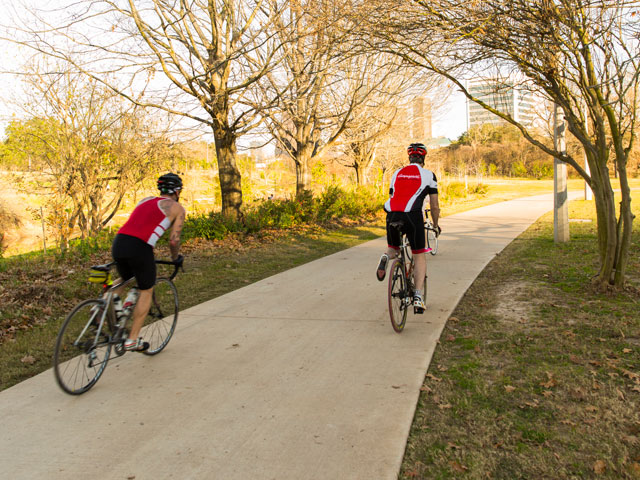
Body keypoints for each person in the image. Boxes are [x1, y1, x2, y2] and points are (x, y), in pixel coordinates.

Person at [111, 173, 186, 351]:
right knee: (147, 288)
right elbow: (174, 240)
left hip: (119, 242)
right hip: (140, 247)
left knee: (126, 277)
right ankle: (132, 339)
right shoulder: (178, 208)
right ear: (177, 191)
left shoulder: (144, 200)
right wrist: (175, 259)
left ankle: (102, 306)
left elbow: (138, 224)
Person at [376, 143, 441, 313]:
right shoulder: (429, 175)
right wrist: (435, 225)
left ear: (409, 157)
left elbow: (392, 196)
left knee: (393, 249)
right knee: (419, 255)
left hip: (392, 214)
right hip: (413, 216)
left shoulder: (397, 173)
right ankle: (418, 296)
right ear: (423, 158)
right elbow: (434, 206)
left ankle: (385, 257)